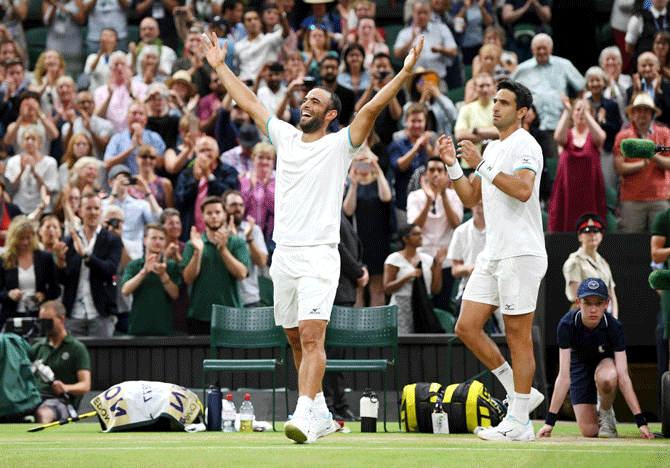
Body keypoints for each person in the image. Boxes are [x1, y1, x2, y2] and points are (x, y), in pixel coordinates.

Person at [201, 28, 425, 444]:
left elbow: (373, 108)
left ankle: (303, 413)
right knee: (293, 337)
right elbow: (249, 102)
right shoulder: (284, 136)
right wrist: (221, 66)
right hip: (283, 254)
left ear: (330, 116)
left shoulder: (342, 144)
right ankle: (320, 409)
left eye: (315, 103)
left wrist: (404, 73)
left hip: (321, 255)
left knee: (311, 335)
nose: (305, 105)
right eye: (304, 100)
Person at [438, 79, 547, 441]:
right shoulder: (492, 148)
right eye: (495, 101)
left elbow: (522, 189)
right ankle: (522, 394)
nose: (495, 106)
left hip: (521, 252)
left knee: (518, 336)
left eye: (504, 102)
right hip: (494, 253)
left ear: (522, 112)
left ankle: (520, 423)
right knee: (466, 326)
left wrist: (481, 164)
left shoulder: (526, 144)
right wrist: (454, 166)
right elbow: (470, 198)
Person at [537, 278, 654, 440]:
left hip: (604, 363)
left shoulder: (614, 327)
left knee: (607, 379)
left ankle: (606, 411)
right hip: (579, 366)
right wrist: (549, 423)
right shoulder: (566, 325)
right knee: (590, 432)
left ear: (607, 304)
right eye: (587, 303)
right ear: (578, 303)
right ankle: (597, 409)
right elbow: (564, 377)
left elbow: (623, 376)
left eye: (598, 303)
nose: (593, 309)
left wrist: (641, 422)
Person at [55, 191, 123, 337]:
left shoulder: (112, 240)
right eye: (88, 208)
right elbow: (63, 281)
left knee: (104, 359)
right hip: (73, 314)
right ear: (80, 212)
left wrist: (86, 256)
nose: (93, 212)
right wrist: (60, 263)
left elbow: (110, 270)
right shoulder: (69, 240)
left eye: (96, 208)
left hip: (101, 314)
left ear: (101, 211)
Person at [181, 195, 249, 334]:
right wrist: (198, 252)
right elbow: (188, 278)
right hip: (200, 316)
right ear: (203, 216)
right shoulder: (192, 244)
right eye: (209, 213)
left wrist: (223, 250)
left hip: (232, 315)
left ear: (224, 215)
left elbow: (242, 274)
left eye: (217, 212)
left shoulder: (237, 243)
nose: (214, 216)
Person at [511, 33, 584, 161]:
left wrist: (573, 111)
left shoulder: (564, 64)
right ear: (532, 50)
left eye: (545, 48)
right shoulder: (522, 69)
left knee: (556, 165)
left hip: (557, 126)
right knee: (532, 163)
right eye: (538, 48)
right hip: (531, 127)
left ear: (551, 48)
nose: (542, 51)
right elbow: (510, 94)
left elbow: (582, 88)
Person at [406, 156, 462, 310]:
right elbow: (414, 227)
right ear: (425, 175)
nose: (436, 174)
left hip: (445, 259)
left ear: (446, 174)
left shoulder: (454, 196)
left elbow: (456, 223)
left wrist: (443, 195)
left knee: (442, 306)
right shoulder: (415, 196)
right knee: (421, 309)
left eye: (440, 170)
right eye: (432, 170)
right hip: (422, 258)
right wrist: (429, 200)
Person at [547, 97, 607, 233]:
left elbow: (602, 137)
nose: (581, 113)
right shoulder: (566, 135)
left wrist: (586, 113)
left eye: (585, 110)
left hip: (590, 193)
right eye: (577, 110)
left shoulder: (594, 137)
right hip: (566, 192)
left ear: (591, 115)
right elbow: (557, 137)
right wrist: (567, 111)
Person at [342, 145, 392, 307]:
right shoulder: (351, 185)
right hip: (358, 240)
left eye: (366, 162)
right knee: (359, 285)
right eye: (359, 162)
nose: (363, 166)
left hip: (378, 239)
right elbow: (348, 211)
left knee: (377, 286)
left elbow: (386, 197)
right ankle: (358, 330)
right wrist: (354, 183)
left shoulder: (379, 181)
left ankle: (376, 327)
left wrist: (378, 170)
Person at [613, 92, 670, 233]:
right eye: (638, 110)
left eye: (646, 110)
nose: (642, 114)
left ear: (652, 114)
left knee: (662, 241)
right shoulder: (623, 136)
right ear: (632, 114)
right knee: (632, 246)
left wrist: (652, 156)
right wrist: (642, 164)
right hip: (632, 200)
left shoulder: (664, 133)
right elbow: (619, 167)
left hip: (659, 198)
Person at [30, 300, 91, 423]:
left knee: (43, 413)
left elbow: (85, 385)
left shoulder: (76, 348)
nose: (44, 325)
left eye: (48, 321)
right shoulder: (37, 347)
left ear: (62, 319)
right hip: (34, 398)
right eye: (42, 321)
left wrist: (65, 388)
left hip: (61, 400)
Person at [382, 223, 446, 334]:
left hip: (422, 305)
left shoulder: (428, 259)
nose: (420, 237)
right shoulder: (394, 259)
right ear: (405, 238)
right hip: (401, 306)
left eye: (421, 234)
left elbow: (435, 289)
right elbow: (387, 288)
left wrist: (439, 265)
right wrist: (407, 277)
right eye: (415, 234)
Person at [174, 136, 239, 240]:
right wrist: (195, 181)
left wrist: (209, 177)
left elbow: (229, 197)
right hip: (192, 231)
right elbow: (179, 202)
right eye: (202, 150)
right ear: (196, 153)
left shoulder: (228, 171)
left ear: (217, 152)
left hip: (220, 231)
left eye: (209, 150)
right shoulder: (187, 174)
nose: (205, 154)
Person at [121, 223, 181, 336]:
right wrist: (144, 272)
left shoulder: (171, 265)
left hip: (164, 329)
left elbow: (175, 294)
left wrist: (163, 275)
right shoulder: (134, 265)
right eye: (154, 238)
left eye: (161, 238)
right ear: (144, 240)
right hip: (138, 328)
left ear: (165, 242)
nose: (158, 242)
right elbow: (125, 290)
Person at [0, 216, 60, 325]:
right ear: (14, 239)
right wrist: (9, 294)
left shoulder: (44, 258)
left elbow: (55, 289)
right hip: (11, 316)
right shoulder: (5, 259)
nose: (25, 242)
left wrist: (42, 296)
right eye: (21, 238)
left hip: (38, 315)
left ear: (34, 236)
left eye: (28, 238)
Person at [563, 214, 619, 317]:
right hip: (584, 316)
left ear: (601, 236)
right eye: (587, 232)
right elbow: (578, 296)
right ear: (580, 236)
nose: (592, 235)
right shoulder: (575, 261)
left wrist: (614, 321)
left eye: (596, 231)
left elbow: (612, 295)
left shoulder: (603, 262)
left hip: (604, 315)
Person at [102, 164, 162, 254]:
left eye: (126, 178)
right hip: (109, 246)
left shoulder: (139, 204)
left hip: (133, 249)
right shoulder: (102, 203)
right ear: (110, 183)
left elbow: (158, 220)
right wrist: (114, 193)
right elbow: (101, 220)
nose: (123, 181)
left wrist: (147, 191)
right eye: (119, 179)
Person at [223, 189, 268, 307]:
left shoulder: (254, 230)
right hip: (224, 299)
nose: (238, 208)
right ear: (224, 208)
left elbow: (262, 262)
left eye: (241, 205)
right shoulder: (218, 232)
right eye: (233, 205)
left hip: (249, 298)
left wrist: (249, 238)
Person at [5, 126, 59, 215]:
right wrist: (21, 172)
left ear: (40, 143)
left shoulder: (50, 162)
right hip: (19, 210)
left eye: (33, 139)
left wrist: (35, 173)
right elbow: (9, 190)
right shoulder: (13, 162)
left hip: (43, 210)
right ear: (21, 143)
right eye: (27, 139)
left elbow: (50, 191)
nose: (30, 142)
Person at [585, 66, 623, 189]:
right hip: (587, 150)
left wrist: (603, 122)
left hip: (606, 151)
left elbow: (617, 128)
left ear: (603, 83)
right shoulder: (584, 104)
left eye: (598, 80)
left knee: (607, 186)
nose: (595, 84)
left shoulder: (611, 105)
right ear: (587, 84)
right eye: (592, 81)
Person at [103, 100, 166, 174]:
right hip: (125, 181)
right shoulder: (117, 138)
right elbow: (107, 164)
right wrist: (131, 148)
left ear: (146, 120)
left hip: (148, 181)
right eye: (134, 113)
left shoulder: (154, 137)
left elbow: (160, 164)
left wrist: (141, 144)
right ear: (127, 117)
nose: (137, 117)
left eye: (141, 114)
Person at [235, 6, 290, 83]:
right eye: (249, 20)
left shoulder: (269, 40)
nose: (252, 22)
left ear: (260, 22)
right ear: (244, 25)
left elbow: (286, 33)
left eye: (255, 18)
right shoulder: (238, 46)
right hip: (245, 88)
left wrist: (282, 15)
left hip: (264, 87)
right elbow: (237, 69)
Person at [239, 142, 276, 245]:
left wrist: (266, 189)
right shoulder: (244, 179)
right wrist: (250, 188)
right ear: (253, 158)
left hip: (271, 234)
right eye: (260, 157)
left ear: (273, 161)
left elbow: (276, 209)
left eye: (268, 158)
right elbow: (241, 208)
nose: (264, 161)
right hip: (248, 231)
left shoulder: (279, 180)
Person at [61, 90, 114, 161]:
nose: (86, 105)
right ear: (77, 105)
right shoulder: (68, 126)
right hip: (75, 164)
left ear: (94, 104)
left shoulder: (105, 124)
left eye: (89, 102)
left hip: (97, 164)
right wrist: (71, 126)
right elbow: (65, 149)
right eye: (82, 102)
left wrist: (90, 129)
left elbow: (104, 149)